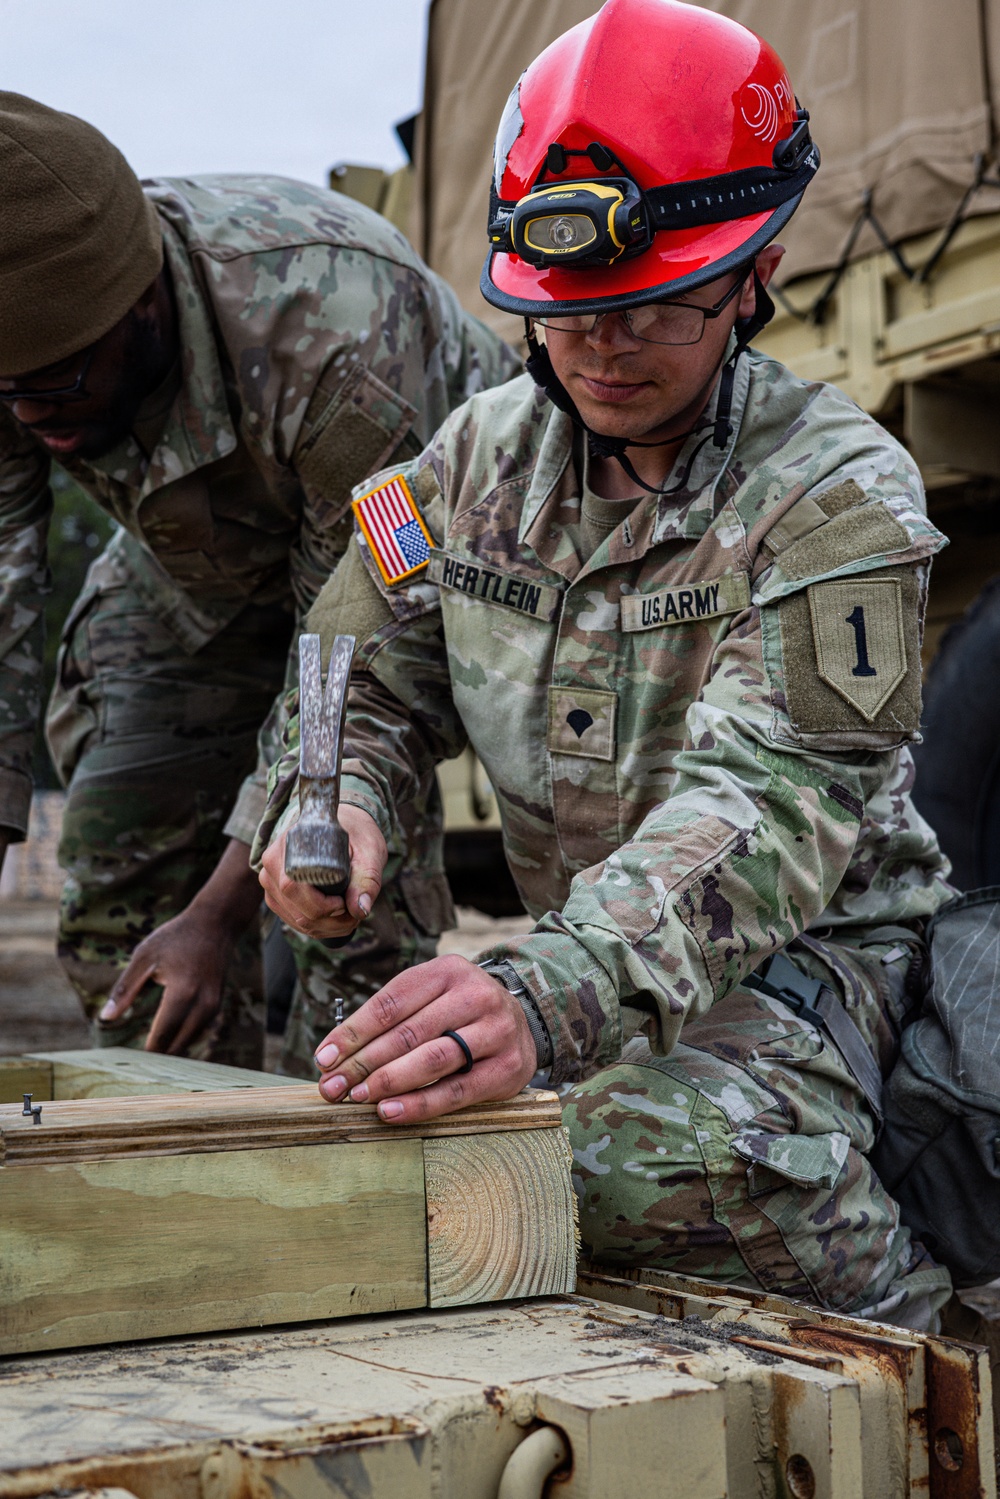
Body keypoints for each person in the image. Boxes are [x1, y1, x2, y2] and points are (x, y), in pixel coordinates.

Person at [258, 0, 956, 1327]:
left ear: (758, 273)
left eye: (655, 306)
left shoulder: (838, 490)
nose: (604, 346)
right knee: (357, 1122)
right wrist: (333, 791)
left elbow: (766, 808)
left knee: (653, 1157)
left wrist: (539, 992)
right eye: (571, 311)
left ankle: (919, 1345)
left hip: (811, 959)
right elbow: (359, 649)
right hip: (591, 957)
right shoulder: (471, 460)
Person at [0, 93, 519, 1067]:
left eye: (62, 383)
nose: (35, 421)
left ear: (144, 301)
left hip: (416, 564)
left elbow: (348, 651)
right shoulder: (23, 356)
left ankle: (351, 1159)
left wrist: (218, 912)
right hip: (201, 557)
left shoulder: (336, 329)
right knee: (118, 851)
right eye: (7, 393)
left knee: (335, 873)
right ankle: (182, 1169)